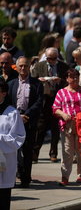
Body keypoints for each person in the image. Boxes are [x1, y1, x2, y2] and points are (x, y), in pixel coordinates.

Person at [52, 69, 81, 185]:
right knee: (67, 152)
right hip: (66, 126)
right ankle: (65, 177)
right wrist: (63, 114)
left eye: (76, 76)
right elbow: (55, 108)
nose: (74, 79)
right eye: (71, 76)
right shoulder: (61, 92)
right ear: (67, 79)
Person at [8, 56, 43, 188]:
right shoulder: (11, 84)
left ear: (29, 67)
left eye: (26, 66)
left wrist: (26, 115)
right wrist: (17, 116)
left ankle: (25, 178)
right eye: (21, 66)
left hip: (29, 121)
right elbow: (9, 102)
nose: (23, 68)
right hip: (13, 121)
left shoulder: (36, 84)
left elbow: (39, 102)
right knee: (13, 151)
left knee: (27, 151)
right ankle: (14, 176)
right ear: (16, 67)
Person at [31, 47, 69, 163]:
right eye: (49, 58)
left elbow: (68, 81)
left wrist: (60, 81)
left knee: (55, 128)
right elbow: (33, 80)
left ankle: (53, 153)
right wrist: (40, 80)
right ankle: (35, 153)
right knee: (40, 127)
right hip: (44, 100)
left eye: (53, 58)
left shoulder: (63, 66)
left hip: (57, 100)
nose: (51, 61)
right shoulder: (39, 65)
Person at [0, 78, 26, 210]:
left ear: (4, 93)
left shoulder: (12, 113)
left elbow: (18, 138)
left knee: (3, 195)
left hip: (4, 160)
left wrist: (0, 139)